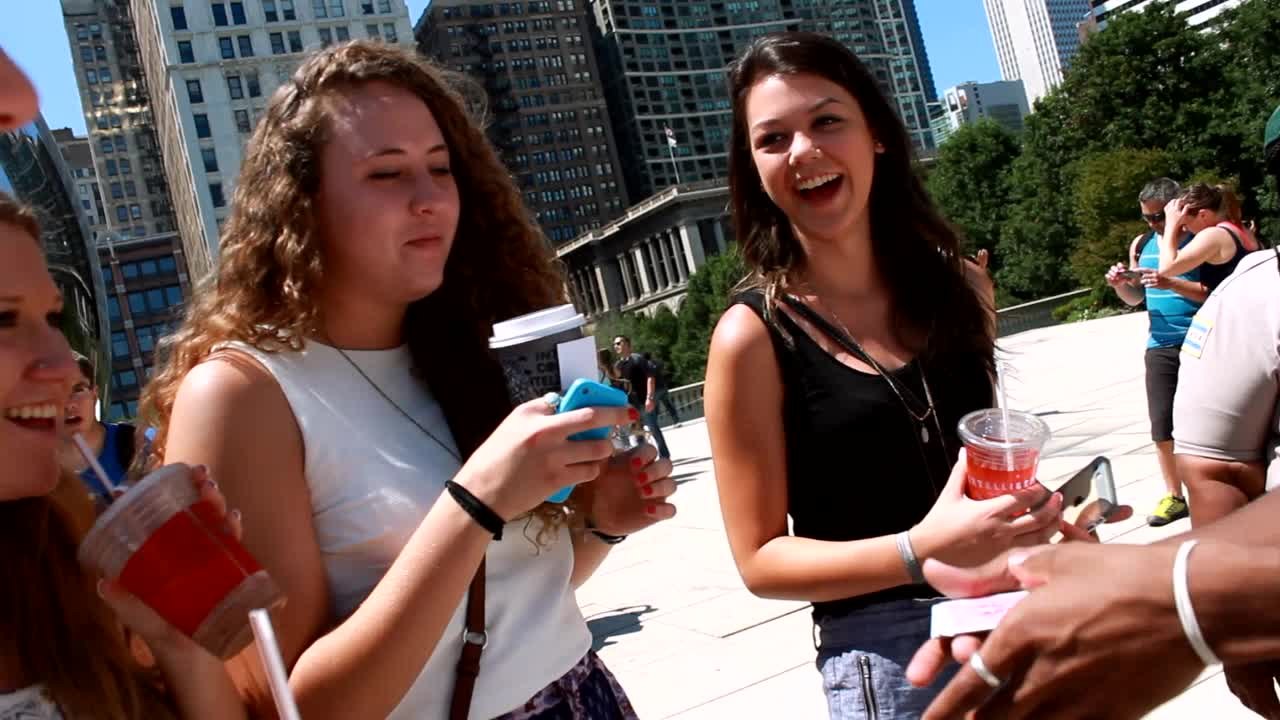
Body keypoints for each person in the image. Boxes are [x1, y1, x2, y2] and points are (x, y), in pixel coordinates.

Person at [141, 41, 676, 720]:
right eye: (387, 173)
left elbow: (501, 609)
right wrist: (475, 501)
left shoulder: (461, 346)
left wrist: (601, 527)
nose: (429, 199)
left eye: (441, 168)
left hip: (585, 696)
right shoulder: (242, 393)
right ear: (300, 203)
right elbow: (286, 703)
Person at [703, 32, 1064, 719]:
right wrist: (916, 551)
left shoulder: (963, 289)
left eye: (826, 121)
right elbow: (760, 561)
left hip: (1016, 618)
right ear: (753, 167)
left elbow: (974, 474)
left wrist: (1033, 519)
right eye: (772, 138)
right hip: (890, 658)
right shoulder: (751, 338)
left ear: (876, 135)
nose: (803, 150)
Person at [905, 104, 1280, 720]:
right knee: (1168, 435)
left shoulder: (1231, 259)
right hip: (1174, 348)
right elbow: (1220, 468)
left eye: (1162, 214)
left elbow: (1172, 276)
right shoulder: (1257, 297)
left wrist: (1181, 600)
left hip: (1198, 349)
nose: (1155, 223)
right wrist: (1188, 597)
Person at [0, 190, 246, 719]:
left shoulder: (59, 556)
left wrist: (177, 643)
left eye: (51, 319)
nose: (64, 368)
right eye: (3, 319)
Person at [1104, 177, 1205, 527]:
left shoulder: (1199, 239)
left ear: (1178, 207)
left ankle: (1213, 490)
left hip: (1201, 340)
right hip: (1159, 345)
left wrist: (1170, 281)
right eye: (1147, 217)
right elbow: (1136, 299)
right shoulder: (1142, 243)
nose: (1153, 224)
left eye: (1158, 216)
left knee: (1209, 421)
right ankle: (1174, 496)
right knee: (1162, 426)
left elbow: (1212, 291)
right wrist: (1121, 285)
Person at [57, 353, 140, 504]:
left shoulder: (136, 443)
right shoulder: (30, 473)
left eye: (78, 389)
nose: (69, 405)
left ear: (94, 395)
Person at [613, 335, 671, 459]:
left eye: (618, 343)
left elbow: (650, 377)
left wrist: (649, 398)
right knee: (638, 433)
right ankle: (645, 458)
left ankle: (664, 455)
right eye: (614, 344)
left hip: (644, 401)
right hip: (631, 405)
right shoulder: (618, 365)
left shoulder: (637, 359)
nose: (616, 346)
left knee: (653, 428)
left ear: (627, 344)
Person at [641, 352, 680, 425]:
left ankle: (654, 425)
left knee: (654, 408)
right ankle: (676, 421)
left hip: (655, 390)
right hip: (663, 387)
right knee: (669, 405)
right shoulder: (656, 363)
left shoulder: (646, 366)